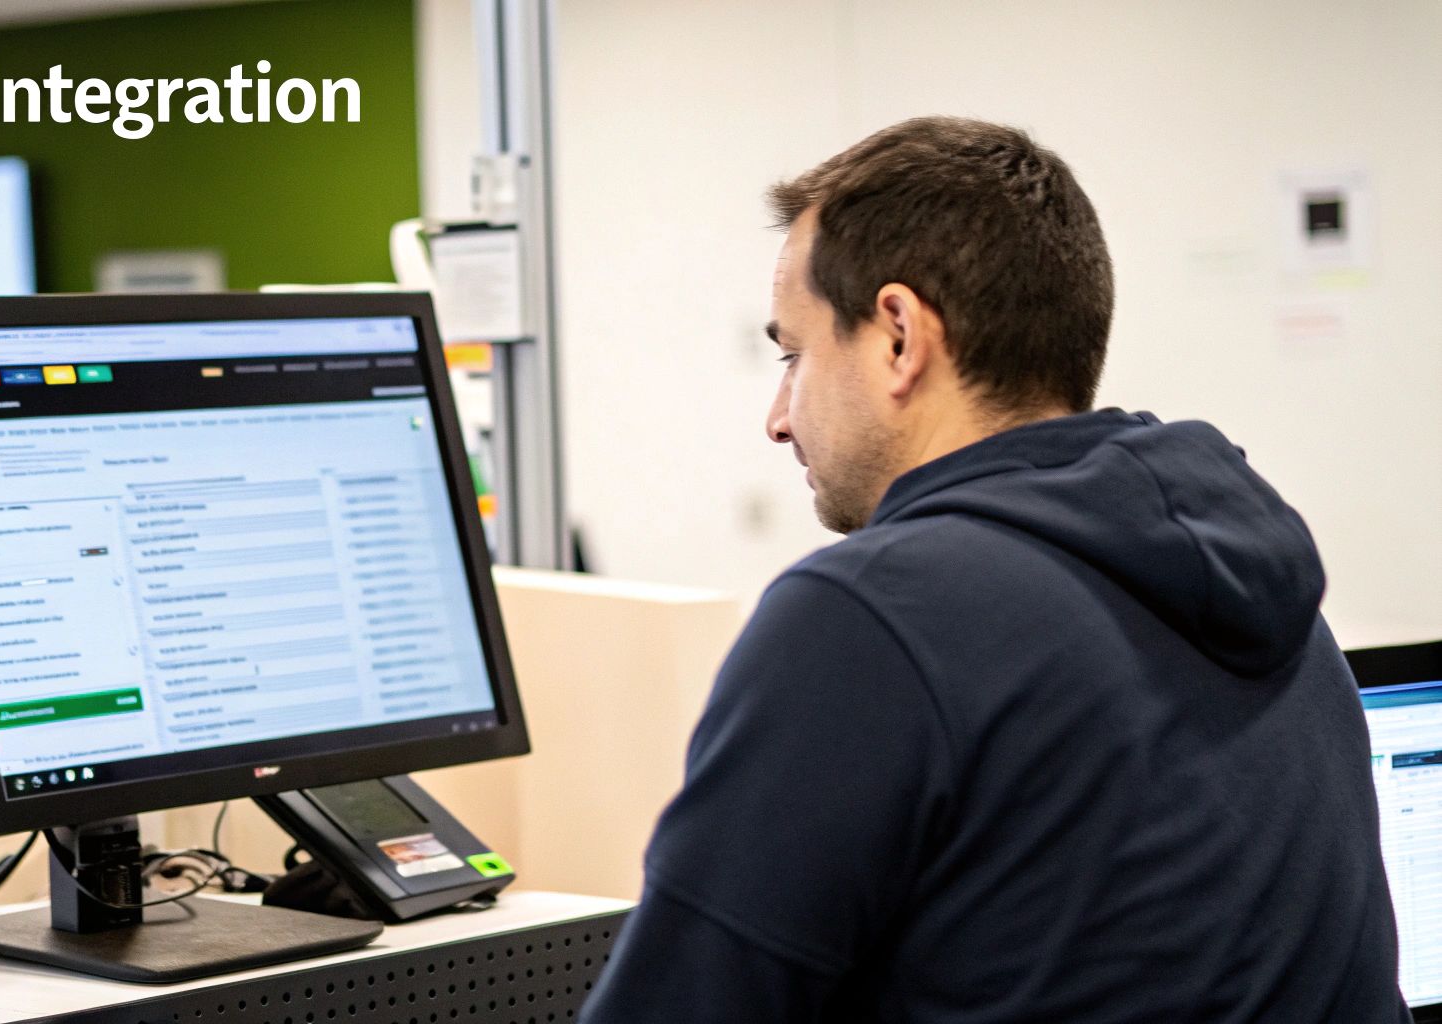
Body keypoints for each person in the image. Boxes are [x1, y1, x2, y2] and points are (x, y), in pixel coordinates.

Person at [580, 118, 1407, 1022]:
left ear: (898, 334)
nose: (778, 417)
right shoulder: (1268, 595)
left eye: (794, 355)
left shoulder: (870, 618)